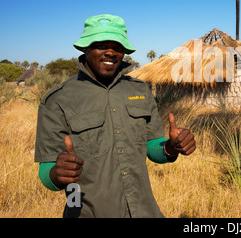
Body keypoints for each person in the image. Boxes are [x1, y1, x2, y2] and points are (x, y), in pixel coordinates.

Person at [35, 14, 196, 218]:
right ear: (85, 48)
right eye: (102, 45)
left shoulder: (140, 90)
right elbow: (46, 169)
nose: (110, 52)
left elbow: (152, 144)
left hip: (145, 212)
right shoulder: (58, 100)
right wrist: (57, 175)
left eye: (118, 47)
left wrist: (170, 148)